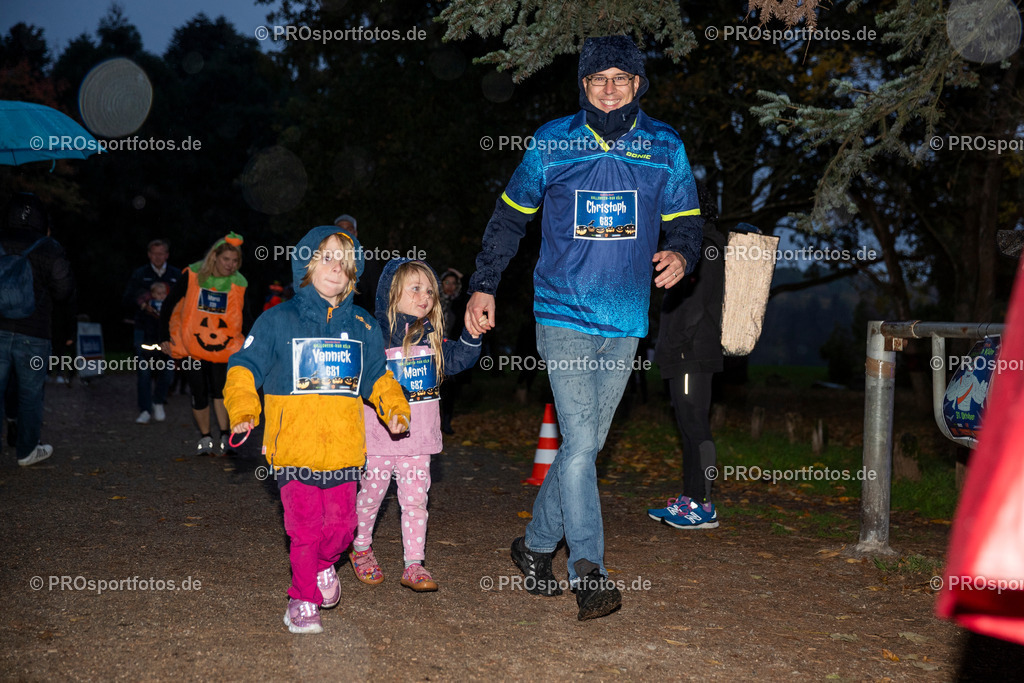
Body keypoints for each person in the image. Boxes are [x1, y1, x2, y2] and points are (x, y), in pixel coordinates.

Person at [464, 35, 703, 621]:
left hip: (625, 320)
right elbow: (508, 218)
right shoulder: (553, 142)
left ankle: (534, 546)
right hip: (562, 311)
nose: (610, 88)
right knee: (582, 443)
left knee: (583, 446)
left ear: (639, 84)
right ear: (584, 86)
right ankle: (589, 571)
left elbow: (688, 223)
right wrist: (484, 283)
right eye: (599, 80)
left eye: (622, 79)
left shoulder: (664, 145)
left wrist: (683, 254)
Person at [224, 226, 410, 635]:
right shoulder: (277, 320)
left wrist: (395, 408)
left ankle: (324, 566)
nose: (336, 267)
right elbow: (243, 367)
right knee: (305, 529)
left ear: (354, 274)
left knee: (342, 530)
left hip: (344, 453)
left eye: (344, 261)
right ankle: (301, 598)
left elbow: (378, 377)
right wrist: (243, 409)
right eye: (326, 257)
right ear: (306, 264)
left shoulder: (363, 326)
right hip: (294, 450)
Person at [350, 259, 482, 592]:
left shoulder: (433, 338)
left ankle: (414, 564)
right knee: (370, 498)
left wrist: (471, 335)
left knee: (415, 503)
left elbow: (460, 360)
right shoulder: (374, 336)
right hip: (380, 438)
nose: (424, 296)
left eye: (429, 291)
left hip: (419, 441)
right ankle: (361, 547)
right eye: (415, 289)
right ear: (391, 294)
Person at [647, 182, 725, 529]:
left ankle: (703, 504)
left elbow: (696, 306)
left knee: (696, 426)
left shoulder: (706, 246)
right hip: (684, 353)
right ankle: (689, 498)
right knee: (687, 425)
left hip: (692, 353)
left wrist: (675, 344)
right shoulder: (697, 246)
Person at [0, 192, 75, 466]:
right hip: (33, 332)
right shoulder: (49, 246)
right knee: (30, 394)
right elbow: (64, 290)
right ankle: (27, 451)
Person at [160, 233, 249, 456]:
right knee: (198, 391)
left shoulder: (237, 284)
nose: (231, 265)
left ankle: (226, 436)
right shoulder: (192, 275)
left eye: (235, 261)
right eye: (226, 259)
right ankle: (205, 437)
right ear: (215, 257)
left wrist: (251, 342)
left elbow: (245, 315)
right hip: (191, 344)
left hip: (223, 345)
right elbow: (169, 304)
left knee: (221, 390)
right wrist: (163, 337)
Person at [124, 239, 182, 424]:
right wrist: (143, 304)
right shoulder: (140, 274)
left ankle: (158, 401)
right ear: (149, 254)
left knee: (167, 371)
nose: (158, 257)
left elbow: (186, 299)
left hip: (168, 332)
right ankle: (145, 409)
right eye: (154, 253)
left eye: (161, 253)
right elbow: (127, 297)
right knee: (144, 371)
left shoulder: (176, 274)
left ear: (167, 254)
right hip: (144, 329)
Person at [438, 267, 471, 433]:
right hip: (434, 349)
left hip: (452, 351)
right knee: (434, 388)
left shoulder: (460, 303)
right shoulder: (433, 301)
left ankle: (446, 423)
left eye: (454, 283)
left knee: (450, 390)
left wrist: (461, 276)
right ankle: (434, 422)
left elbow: (470, 289)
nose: (450, 286)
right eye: (447, 282)